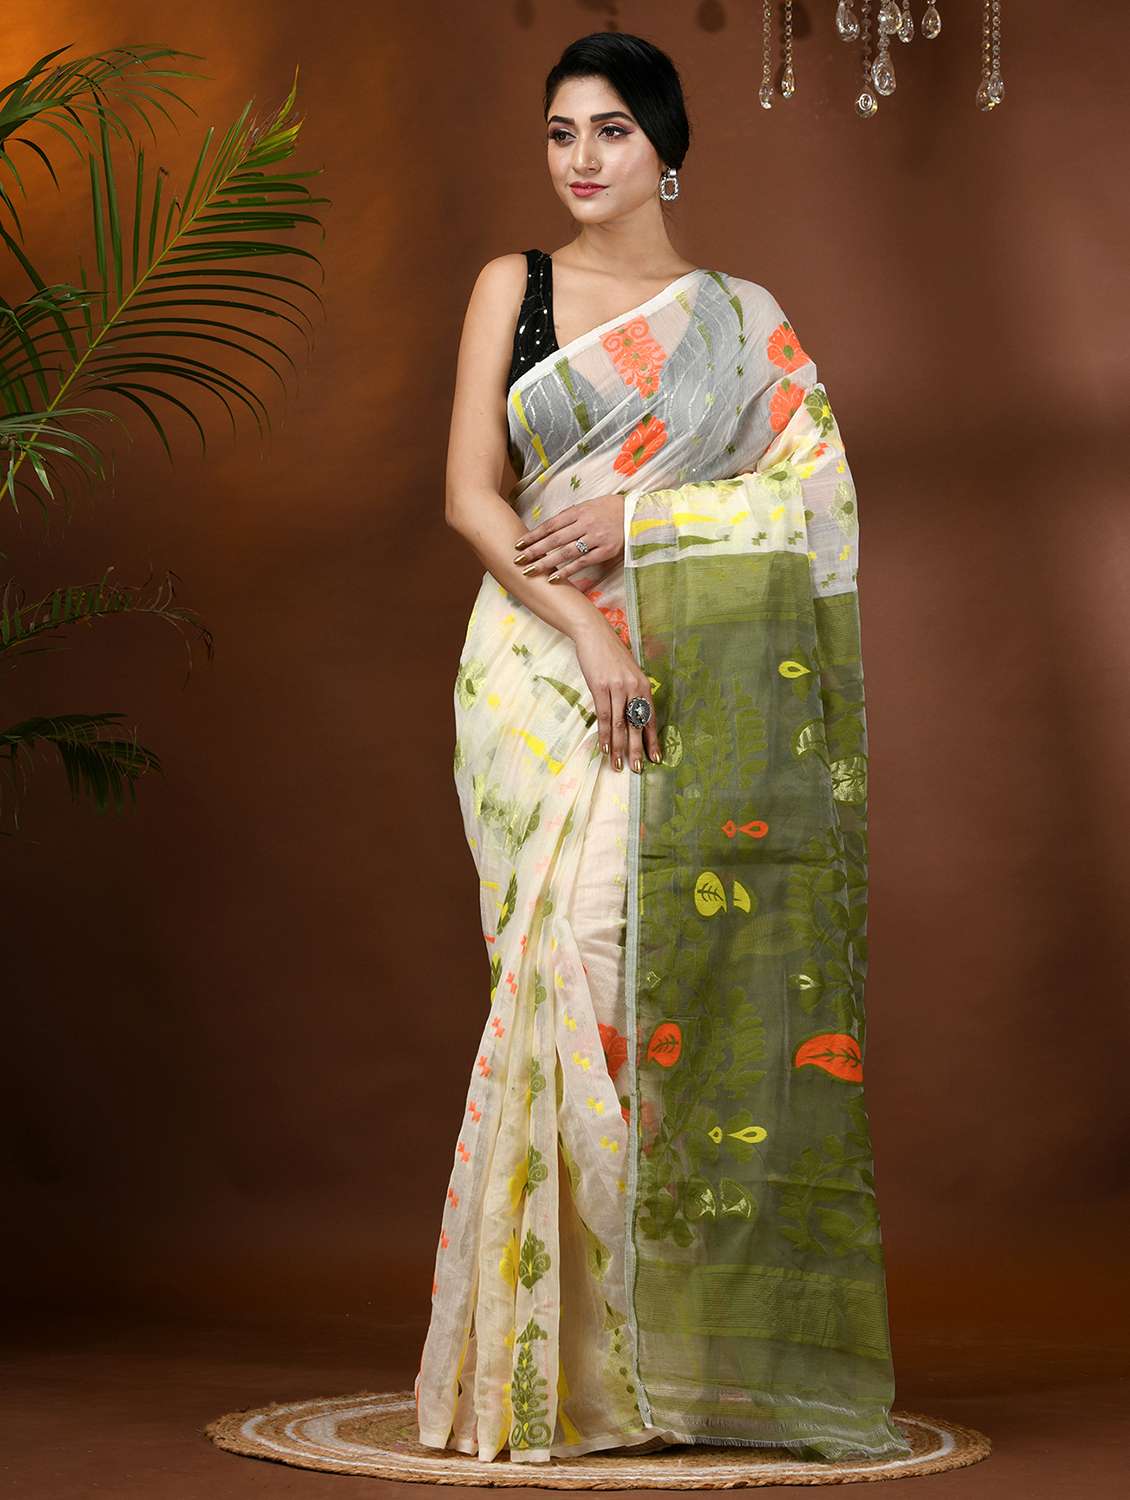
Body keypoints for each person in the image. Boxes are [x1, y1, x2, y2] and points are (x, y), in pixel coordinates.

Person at [414, 29, 912, 1468]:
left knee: (652, 977)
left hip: (694, 668)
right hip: (534, 669)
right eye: (560, 131)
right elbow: (470, 495)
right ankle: (554, 1371)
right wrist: (586, 628)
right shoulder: (511, 287)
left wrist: (640, 523)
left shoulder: (740, 322)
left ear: (667, 150)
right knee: (563, 964)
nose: (581, 158)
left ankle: (649, 1366)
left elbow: (816, 497)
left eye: (613, 130)